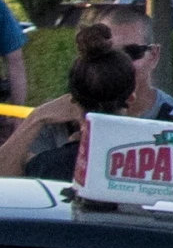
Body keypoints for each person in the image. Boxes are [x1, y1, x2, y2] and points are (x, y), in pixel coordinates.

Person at [13, 43, 140, 181]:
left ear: (73, 99)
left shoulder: (44, 167)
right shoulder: (150, 164)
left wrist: (36, 116)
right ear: (131, 97)